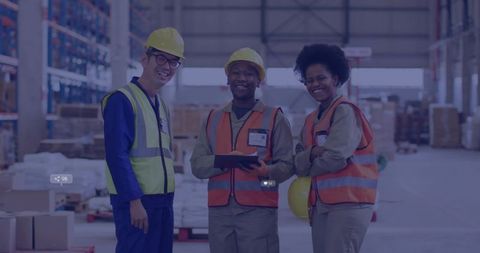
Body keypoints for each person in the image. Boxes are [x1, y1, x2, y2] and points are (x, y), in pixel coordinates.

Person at [190, 47, 294, 253]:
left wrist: (267, 174)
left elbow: (288, 166)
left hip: (258, 212)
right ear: (228, 79)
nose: (242, 78)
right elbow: (197, 165)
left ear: (259, 81)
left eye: (249, 73)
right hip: (220, 214)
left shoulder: (274, 118)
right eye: (236, 72)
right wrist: (226, 161)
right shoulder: (213, 118)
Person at [102, 27, 184, 253]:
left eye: (174, 62)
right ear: (144, 58)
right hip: (137, 202)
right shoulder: (122, 100)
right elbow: (116, 156)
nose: (167, 67)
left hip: (163, 202)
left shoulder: (162, 106)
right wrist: (134, 201)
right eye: (161, 58)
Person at [293, 44, 378, 253]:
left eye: (321, 78)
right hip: (321, 204)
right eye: (309, 80)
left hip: (349, 204)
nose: (315, 84)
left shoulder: (345, 113)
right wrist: (312, 154)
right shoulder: (311, 120)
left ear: (336, 79)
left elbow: (335, 158)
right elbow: (296, 158)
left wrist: (306, 161)